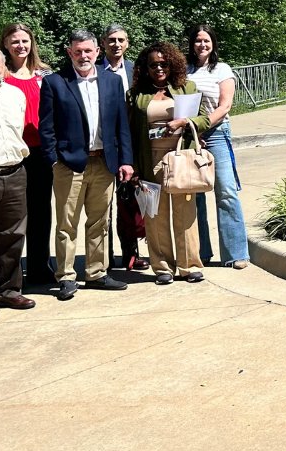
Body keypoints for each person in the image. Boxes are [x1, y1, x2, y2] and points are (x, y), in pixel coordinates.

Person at [39, 29, 135, 299]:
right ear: (70, 52)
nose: (83, 56)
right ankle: (66, 276)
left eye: (88, 51)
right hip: (69, 165)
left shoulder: (111, 81)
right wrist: (54, 160)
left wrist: (125, 160)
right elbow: (47, 128)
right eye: (77, 51)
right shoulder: (56, 83)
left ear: (97, 52)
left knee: (99, 222)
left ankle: (96, 273)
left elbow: (121, 126)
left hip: (104, 162)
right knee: (66, 224)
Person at [127, 42, 210, 284]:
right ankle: (162, 267)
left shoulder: (187, 88)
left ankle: (189, 266)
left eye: (164, 64)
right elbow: (130, 132)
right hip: (149, 160)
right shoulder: (135, 95)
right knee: (155, 216)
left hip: (181, 159)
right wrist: (132, 166)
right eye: (154, 65)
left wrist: (185, 122)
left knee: (185, 214)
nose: (159, 68)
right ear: (145, 68)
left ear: (172, 64)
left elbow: (204, 119)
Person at [185, 24, 249, 269]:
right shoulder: (185, 70)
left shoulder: (222, 69)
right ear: (192, 43)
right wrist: (192, 133)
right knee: (195, 195)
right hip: (191, 136)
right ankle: (200, 252)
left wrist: (201, 127)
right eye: (198, 40)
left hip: (217, 134)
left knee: (226, 191)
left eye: (207, 41)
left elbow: (225, 106)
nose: (202, 45)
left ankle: (235, 253)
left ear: (213, 44)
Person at [0, 47, 35, 319]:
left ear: (4, 67)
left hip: (14, 173)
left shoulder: (16, 94)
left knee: (12, 235)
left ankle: (9, 290)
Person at [0, 22, 56, 289]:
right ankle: (10, 272)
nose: (20, 46)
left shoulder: (44, 74)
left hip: (40, 152)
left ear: (32, 43)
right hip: (11, 152)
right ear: (6, 46)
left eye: (24, 41)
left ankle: (38, 267)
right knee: (13, 215)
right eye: (14, 42)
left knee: (40, 212)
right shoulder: (0, 75)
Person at [98, 23, 148, 272]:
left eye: (121, 40)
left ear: (127, 43)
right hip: (105, 146)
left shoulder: (136, 71)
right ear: (103, 43)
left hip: (132, 145)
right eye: (111, 40)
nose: (116, 44)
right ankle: (104, 258)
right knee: (103, 206)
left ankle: (131, 253)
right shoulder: (93, 70)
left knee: (129, 202)